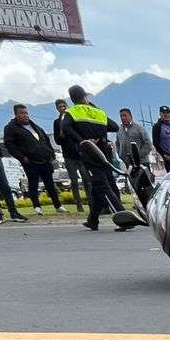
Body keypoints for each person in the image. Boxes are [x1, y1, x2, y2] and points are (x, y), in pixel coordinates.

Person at [64, 84, 123, 231]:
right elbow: (114, 126)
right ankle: (93, 220)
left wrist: (82, 141)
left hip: (90, 155)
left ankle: (123, 217)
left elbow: (65, 128)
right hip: (104, 153)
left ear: (72, 99)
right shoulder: (98, 112)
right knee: (98, 186)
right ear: (85, 97)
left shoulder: (72, 112)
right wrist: (98, 134)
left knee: (102, 186)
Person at [2, 103, 64, 214]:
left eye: (26, 113)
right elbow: (10, 145)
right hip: (30, 161)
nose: (25, 115)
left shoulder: (35, 126)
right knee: (33, 183)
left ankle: (58, 205)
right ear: (16, 114)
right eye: (22, 113)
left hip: (44, 159)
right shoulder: (11, 128)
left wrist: (51, 154)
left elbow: (45, 139)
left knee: (50, 183)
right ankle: (37, 207)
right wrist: (22, 157)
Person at [52, 98, 86, 206]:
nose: (62, 108)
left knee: (86, 178)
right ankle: (78, 202)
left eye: (63, 106)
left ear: (67, 106)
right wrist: (61, 136)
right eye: (59, 107)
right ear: (57, 109)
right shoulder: (57, 122)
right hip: (68, 155)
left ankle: (92, 201)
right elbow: (57, 141)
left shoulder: (74, 118)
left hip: (80, 153)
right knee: (74, 180)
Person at [115, 108, 151, 172]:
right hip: (128, 165)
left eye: (125, 115)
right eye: (121, 116)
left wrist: (138, 156)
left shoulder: (139, 128)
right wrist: (121, 155)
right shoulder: (119, 131)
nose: (123, 118)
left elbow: (148, 144)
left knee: (144, 181)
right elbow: (117, 144)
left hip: (142, 163)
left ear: (131, 116)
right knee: (133, 181)